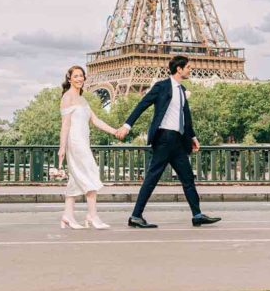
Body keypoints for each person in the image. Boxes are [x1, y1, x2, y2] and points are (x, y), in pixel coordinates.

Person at [115, 55, 221, 228]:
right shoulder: (161, 86)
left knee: (188, 178)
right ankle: (135, 216)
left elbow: (186, 118)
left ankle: (197, 214)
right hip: (164, 138)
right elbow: (142, 104)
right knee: (152, 178)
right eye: (188, 67)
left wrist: (193, 137)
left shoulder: (182, 90)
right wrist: (127, 125)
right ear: (179, 69)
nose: (190, 70)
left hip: (178, 141)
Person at [58, 65, 119, 229]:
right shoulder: (67, 97)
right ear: (69, 78)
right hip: (75, 142)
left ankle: (67, 215)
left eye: (81, 76)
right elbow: (65, 125)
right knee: (90, 173)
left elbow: (96, 121)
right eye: (76, 76)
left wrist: (115, 131)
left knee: (76, 179)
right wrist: (62, 147)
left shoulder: (83, 99)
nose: (79, 79)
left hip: (83, 141)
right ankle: (92, 216)